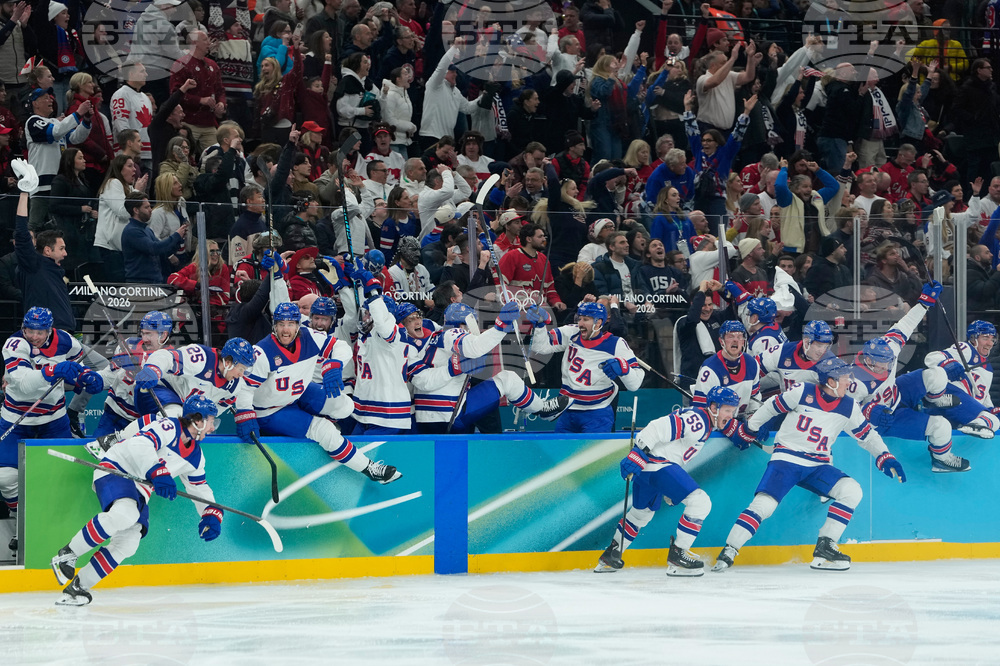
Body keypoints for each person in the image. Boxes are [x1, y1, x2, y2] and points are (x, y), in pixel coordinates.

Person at [712, 357, 907, 573]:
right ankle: (730, 549)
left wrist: (884, 455)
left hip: (818, 465)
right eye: (844, 378)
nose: (848, 382)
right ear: (830, 381)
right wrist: (750, 428)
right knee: (764, 505)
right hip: (786, 459)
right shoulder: (802, 391)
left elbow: (867, 435)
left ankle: (826, 546)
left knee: (852, 491)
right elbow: (771, 407)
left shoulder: (849, 406)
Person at [50, 395, 221, 606]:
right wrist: (158, 471)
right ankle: (67, 554)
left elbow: (199, 487)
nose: (213, 428)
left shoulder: (196, 456)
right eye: (212, 421)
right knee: (125, 514)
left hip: (139, 489)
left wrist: (211, 514)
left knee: (129, 542)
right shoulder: (169, 427)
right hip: (117, 469)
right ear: (198, 420)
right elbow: (140, 443)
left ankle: (78, 587)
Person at [595, 386, 742, 576]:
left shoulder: (703, 420)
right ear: (714, 408)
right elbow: (658, 427)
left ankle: (612, 553)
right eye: (728, 410)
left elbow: (673, 450)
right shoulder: (698, 419)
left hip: (650, 469)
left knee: (641, 514)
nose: (731, 415)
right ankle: (678, 555)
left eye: (733, 411)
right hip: (657, 465)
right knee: (700, 502)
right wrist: (638, 451)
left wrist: (669, 486)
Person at [1, 306, 105, 554]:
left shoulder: (66, 340)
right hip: (17, 421)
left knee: (61, 477)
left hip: (53, 420)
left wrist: (86, 376)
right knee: (5, 478)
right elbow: (24, 384)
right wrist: (53, 370)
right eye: (29, 330)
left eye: (39, 331)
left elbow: (87, 363)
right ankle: (21, 525)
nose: (34, 336)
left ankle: (55, 527)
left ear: (50, 329)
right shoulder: (14, 344)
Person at [846, 283, 970, 473]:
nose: (887, 366)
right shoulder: (852, 380)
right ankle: (941, 460)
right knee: (942, 426)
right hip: (885, 418)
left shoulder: (889, 347)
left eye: (889, 361)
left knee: (937, 374)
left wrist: (924, 302)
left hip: (897, 393)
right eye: (882, 363)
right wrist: (868, 411)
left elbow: (905, 324)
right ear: (868, 360)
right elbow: (844, 411)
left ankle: (933, 400)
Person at [409, 302, 569, 433]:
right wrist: (501, 326)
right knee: (508, 379)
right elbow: (475, 347)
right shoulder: (452, 333)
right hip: (450, 413)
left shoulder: (430, 338)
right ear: (463, 323)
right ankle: (543, 410)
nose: (475, 328)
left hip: (425, 417)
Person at [526, 301, 645, 433]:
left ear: (599, 322)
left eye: (586, 319)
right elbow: (540, 348)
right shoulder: (571, 332)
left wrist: (625, 369)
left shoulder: (616, 344)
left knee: (595, 454)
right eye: (580, 318)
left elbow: (635, 384)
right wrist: (540, 326)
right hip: (567, 411)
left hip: (597, 414)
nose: (580, 323)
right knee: (562, 453)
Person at [11, 161, 74, 331]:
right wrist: (24, 192)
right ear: (47, 250)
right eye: (61, 249)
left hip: (66, 334)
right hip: (45, 335)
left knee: (100, 360)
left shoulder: (55, 270)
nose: (66, 253)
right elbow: (22, 234)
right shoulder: (33, 264)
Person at [26, 87, 91, 228]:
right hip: (41, 183)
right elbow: (54, 133)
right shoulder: (33, 121)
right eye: (45, 98)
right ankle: (27, 249)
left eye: (50, 97)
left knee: (58, 226)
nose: (50, 100)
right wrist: (77, 113)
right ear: (35, 103)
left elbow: (75, 138)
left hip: (60, 181)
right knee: (35, 225)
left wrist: (85, 120)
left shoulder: (56, 123)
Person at [924, 320, 1000, 438]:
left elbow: (983, 395)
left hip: (965, 410)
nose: (990, 343)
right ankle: (976, 425)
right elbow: (931, 358)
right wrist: (947, 363)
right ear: (973, 338)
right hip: (953, 400)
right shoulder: (966, 348)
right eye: (985, 338)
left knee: (993, 418)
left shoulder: (988, 368)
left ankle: (972, 425)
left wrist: (991, 409)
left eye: (992, 339)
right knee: (993, 422)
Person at [691, 320, 761, 418]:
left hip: (741, 421)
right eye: (730, 336)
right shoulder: (710, 369)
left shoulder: (752, 363)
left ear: (743, 341)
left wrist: (753, 422)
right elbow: (701, 410)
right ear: (721, 341)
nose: (735, 340)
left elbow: (754, 400)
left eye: (739, 337)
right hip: (716, 427)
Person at [121, 194, 187, 284]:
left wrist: (179, 238)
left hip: (154, 283)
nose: (150, 210)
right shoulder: (132, 231)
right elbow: (154, 248)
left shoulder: (147, 230)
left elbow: (163, 251)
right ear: (136, 210)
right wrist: (176, 236)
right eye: (146, 207)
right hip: (140, 285)